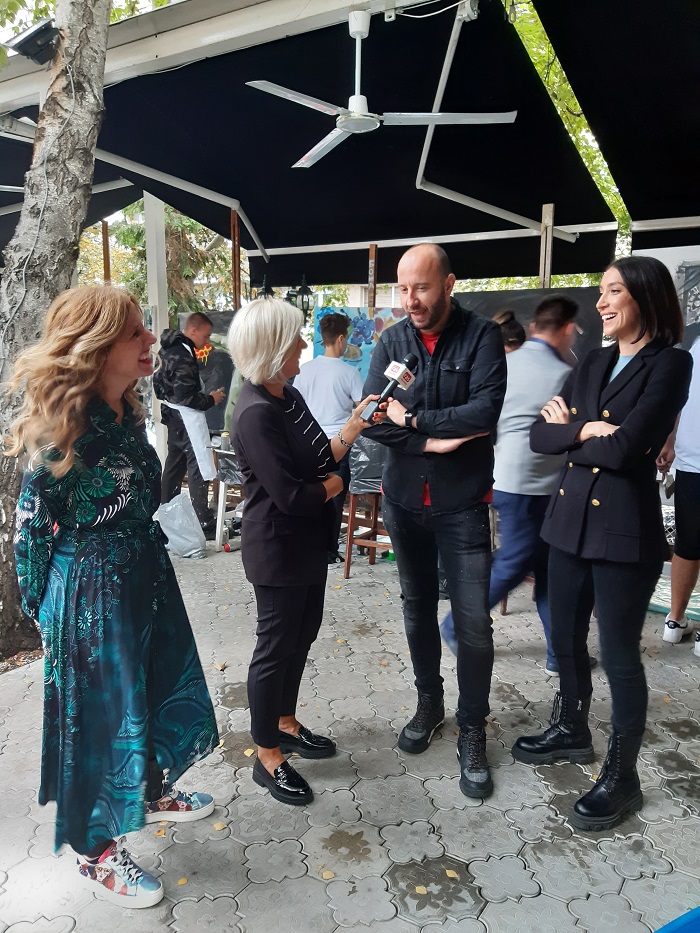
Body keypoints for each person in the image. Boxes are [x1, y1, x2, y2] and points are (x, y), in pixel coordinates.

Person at [9, 286, 218, 908]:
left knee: (150, 690)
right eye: (135, 332)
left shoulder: (126, 412)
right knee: (101, 721)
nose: (151, 339)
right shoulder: (63, 432)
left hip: (141, 580)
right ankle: (95, 852)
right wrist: (48, 615)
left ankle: (151, 790)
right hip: (90, 599)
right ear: (98, 349)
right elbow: (29, 532)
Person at [511, 256, 693, 832]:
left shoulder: (671, 363)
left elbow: (628, 449)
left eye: (614, 291)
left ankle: (623, 775)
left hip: (624, 534)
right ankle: (571, 728)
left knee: (617, 655)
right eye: (601, 291)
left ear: (645, 296)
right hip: (567, 525)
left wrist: (573, 433)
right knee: (565, 639)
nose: (601, 303)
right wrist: (587, 429)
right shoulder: (593, 360)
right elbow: (539, 435)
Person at [363, 243, 507, 800]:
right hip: (404, 501)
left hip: (462, 503)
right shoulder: (392, 341)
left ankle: (473, 728)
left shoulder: (482, 337)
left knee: (473, 624)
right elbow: (373, 416)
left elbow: (484, 412)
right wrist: (432, 440)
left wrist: (416, 420)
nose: (410, 300)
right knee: (417, 609)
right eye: (403, 288)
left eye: (420, 287)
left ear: (448, 284)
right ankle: (430, 704)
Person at [228, 297, 385, 806]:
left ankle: (285, 721)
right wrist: (337, 485)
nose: (303, 345)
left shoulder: (288, 395)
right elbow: (293, 495)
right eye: (295, 338)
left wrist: (352, 428)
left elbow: (320, 456)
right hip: (277, 549)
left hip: (309, 542)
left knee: (302, 634)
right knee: (275, 648)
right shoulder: (255, 413)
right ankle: (267, 754)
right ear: (273, 348)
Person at [440, 296, 589, 676]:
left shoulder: (507, 362)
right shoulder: (565, 373)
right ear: (567, 329)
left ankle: (560, 654)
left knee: (548, 568)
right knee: (514, 562)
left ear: (536, 326)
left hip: (508, 476)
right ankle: (456, 625)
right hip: (537, 485)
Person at [293, 311, 364, 562]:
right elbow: (362, 409)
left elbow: (295, 406)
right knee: (335, 497)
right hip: (339, 442)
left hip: (308, 442)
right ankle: (330, 551)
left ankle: (310, 545)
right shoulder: (350, 373)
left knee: (311, 494)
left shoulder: (303, 370)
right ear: (341, 338)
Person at [154, 310, 226, 538]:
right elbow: (186, 397)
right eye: (205, 336)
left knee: (174, 465)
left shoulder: (166, 349)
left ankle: (166, 514)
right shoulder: (183, 355)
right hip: (185, 417)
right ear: (192, 330)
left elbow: (159, 386)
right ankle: (202, 522)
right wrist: (210, 399)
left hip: (171, 415)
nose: (207, 342)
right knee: (197, 466)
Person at [656, 323, 700, 655]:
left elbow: (682, 399)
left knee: (688, 542)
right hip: (690, 456)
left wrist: (670, 440)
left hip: (691, 457)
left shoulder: (696, 341)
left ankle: (674, 620)